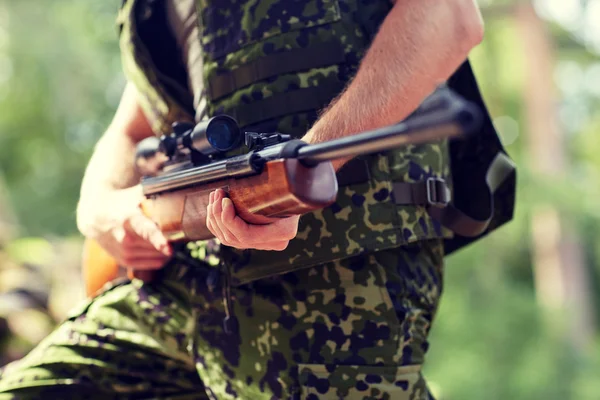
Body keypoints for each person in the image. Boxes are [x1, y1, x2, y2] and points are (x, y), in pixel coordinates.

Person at [0, 0, 515, 398]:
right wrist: (99, 208)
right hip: (179, 284)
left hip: (337, 274)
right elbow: (134, 125)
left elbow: (448, 17)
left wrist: (305, 167)